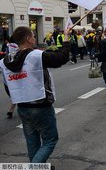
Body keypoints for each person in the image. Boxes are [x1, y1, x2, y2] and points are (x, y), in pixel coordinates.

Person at [0, 26, 70, 164]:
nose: (34, 38)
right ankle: (34, 167)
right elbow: (61, 58)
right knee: (50, 140)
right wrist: (66, 38)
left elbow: (8, 87)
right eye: (33, 35)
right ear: (28, 39)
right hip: (41, 105)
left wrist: (20, 95)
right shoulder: (36, 55)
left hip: (22, 107)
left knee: (32, 143)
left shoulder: (4, 62)